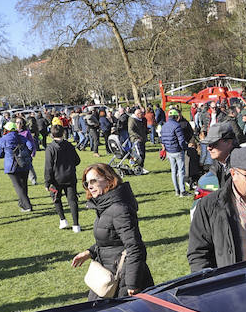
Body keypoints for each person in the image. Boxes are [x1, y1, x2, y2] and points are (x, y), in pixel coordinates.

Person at [70, 163, 153, 297]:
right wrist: (90, 252)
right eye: (86, 183)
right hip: (107, 275)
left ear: (109, 180)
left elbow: (135, 248)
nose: (89, 186)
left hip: (123, 280)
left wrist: (132, 284)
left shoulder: (119, 209)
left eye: (93, 181)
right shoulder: (104, 207)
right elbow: (111, 239)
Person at [43, 124, 83, 232]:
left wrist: (47, 182)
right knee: (72, 201)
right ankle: (76, 225)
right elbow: (77, 160)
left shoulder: (50, 148)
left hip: (56, 179)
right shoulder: (69, 145)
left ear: (51, 134)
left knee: (56, 199)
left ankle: (63, 219)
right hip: (70, 177)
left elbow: (48, 167)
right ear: (63, 133)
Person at [0, 121, 37, 212]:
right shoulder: (22, 137)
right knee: (24, 185)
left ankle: (27, 206)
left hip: (11, 165)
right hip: (24, 163)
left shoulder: (3, 139)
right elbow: (30, 147)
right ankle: (23, 204)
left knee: (18, 186)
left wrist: (7, 152)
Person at [160, 107, 192, 198]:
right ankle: (183, 191)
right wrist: (184, 148)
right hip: (177, 151)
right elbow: (181, 140)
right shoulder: (177, 126)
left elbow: (162, 139)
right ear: (175, 116)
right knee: (181, 171)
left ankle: (177, 191)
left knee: (173, 171)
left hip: (169, 151)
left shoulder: (164, 126)